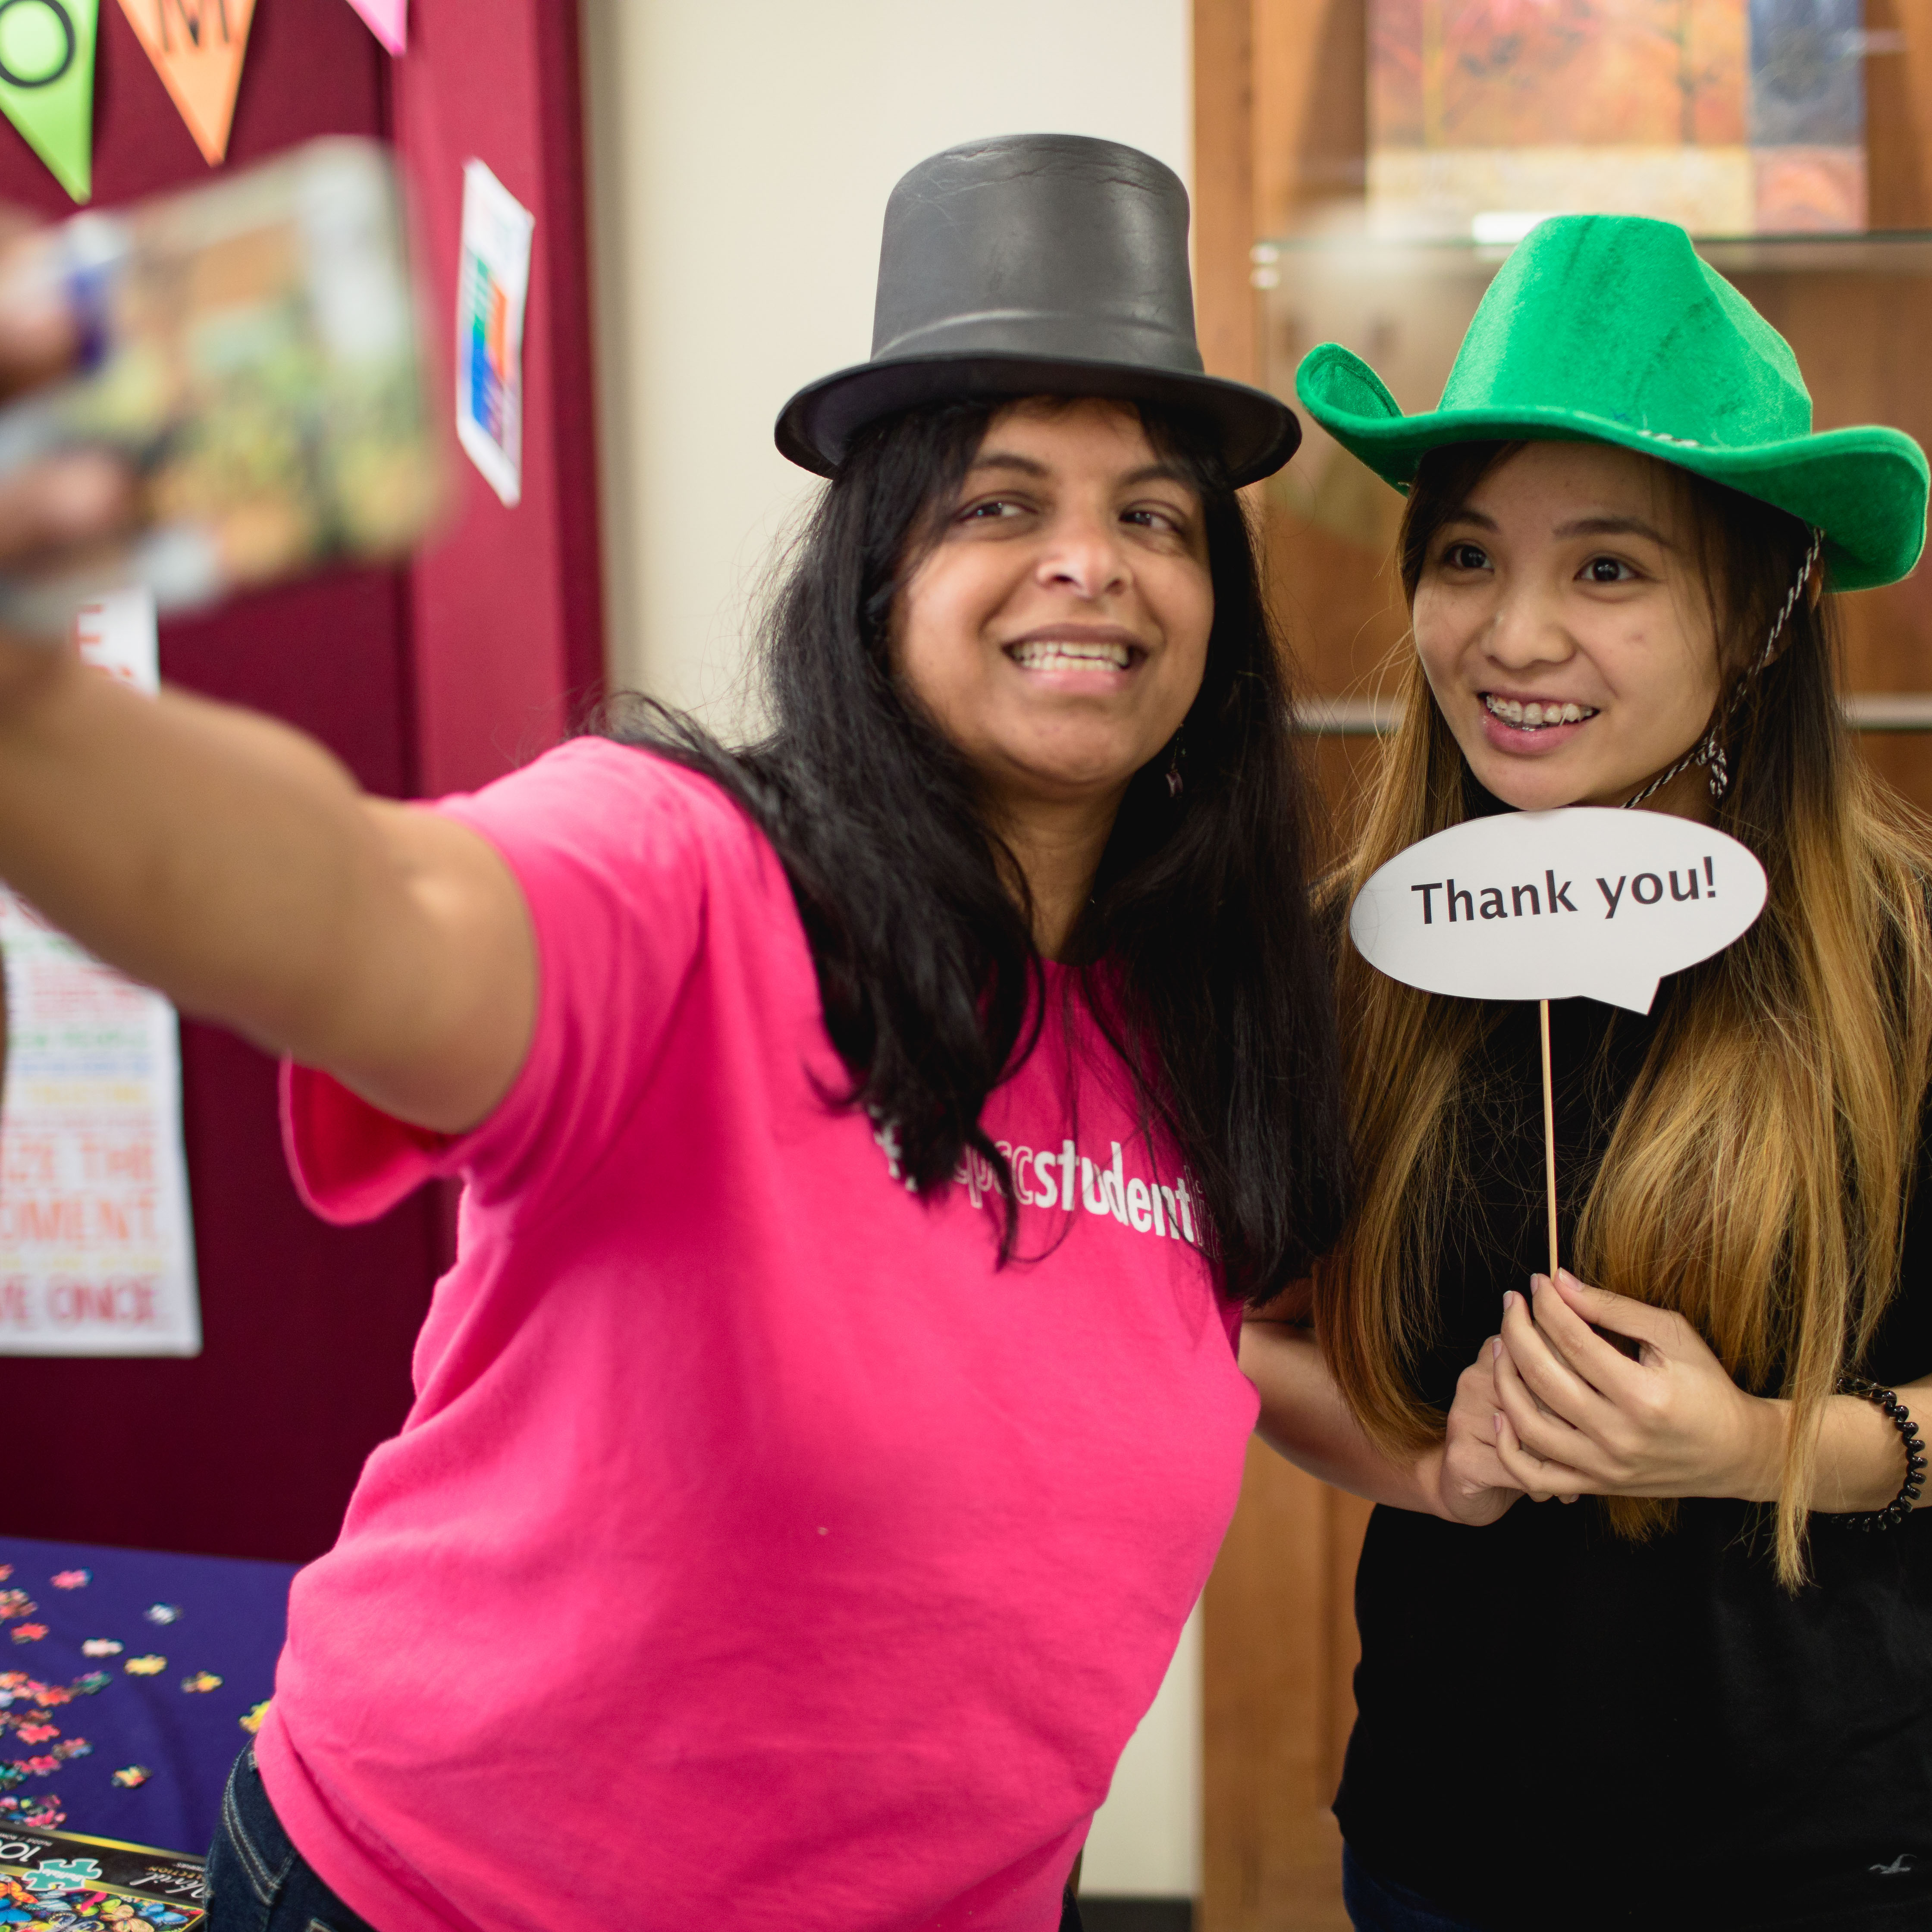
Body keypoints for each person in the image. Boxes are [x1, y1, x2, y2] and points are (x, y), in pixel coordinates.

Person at [0, 136, 1351, 1929]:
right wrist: (29, 710)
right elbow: (358, 910)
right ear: (878, 576)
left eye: (1155, 517)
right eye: (1001, 505)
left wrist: (1456, 1444)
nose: (1090, 565)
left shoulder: (1211, 1010)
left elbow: (1170, 1359)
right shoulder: (690, 871)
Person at [1242, 212, 1932, 1932]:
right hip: (1442, 1847)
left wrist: (1762, 1445)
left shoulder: (1908, 967)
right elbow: (1229, 1342)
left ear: (1763, 612)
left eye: (1608, 569)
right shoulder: (1345, 961)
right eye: (1464, 557)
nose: (1511, 637)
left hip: (1820, 1858)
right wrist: (1429, 1463)